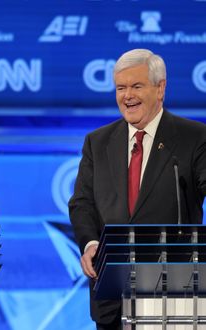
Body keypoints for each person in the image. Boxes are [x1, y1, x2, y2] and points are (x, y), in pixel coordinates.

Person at [69, 49, 206, 329]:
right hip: (111, 294)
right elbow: (81, 203)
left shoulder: (194, 138)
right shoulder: (98, 142)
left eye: (136, 86)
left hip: (172, 290)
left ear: (160, 88)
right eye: (121, 88)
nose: (127, 96)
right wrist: (91, 244)